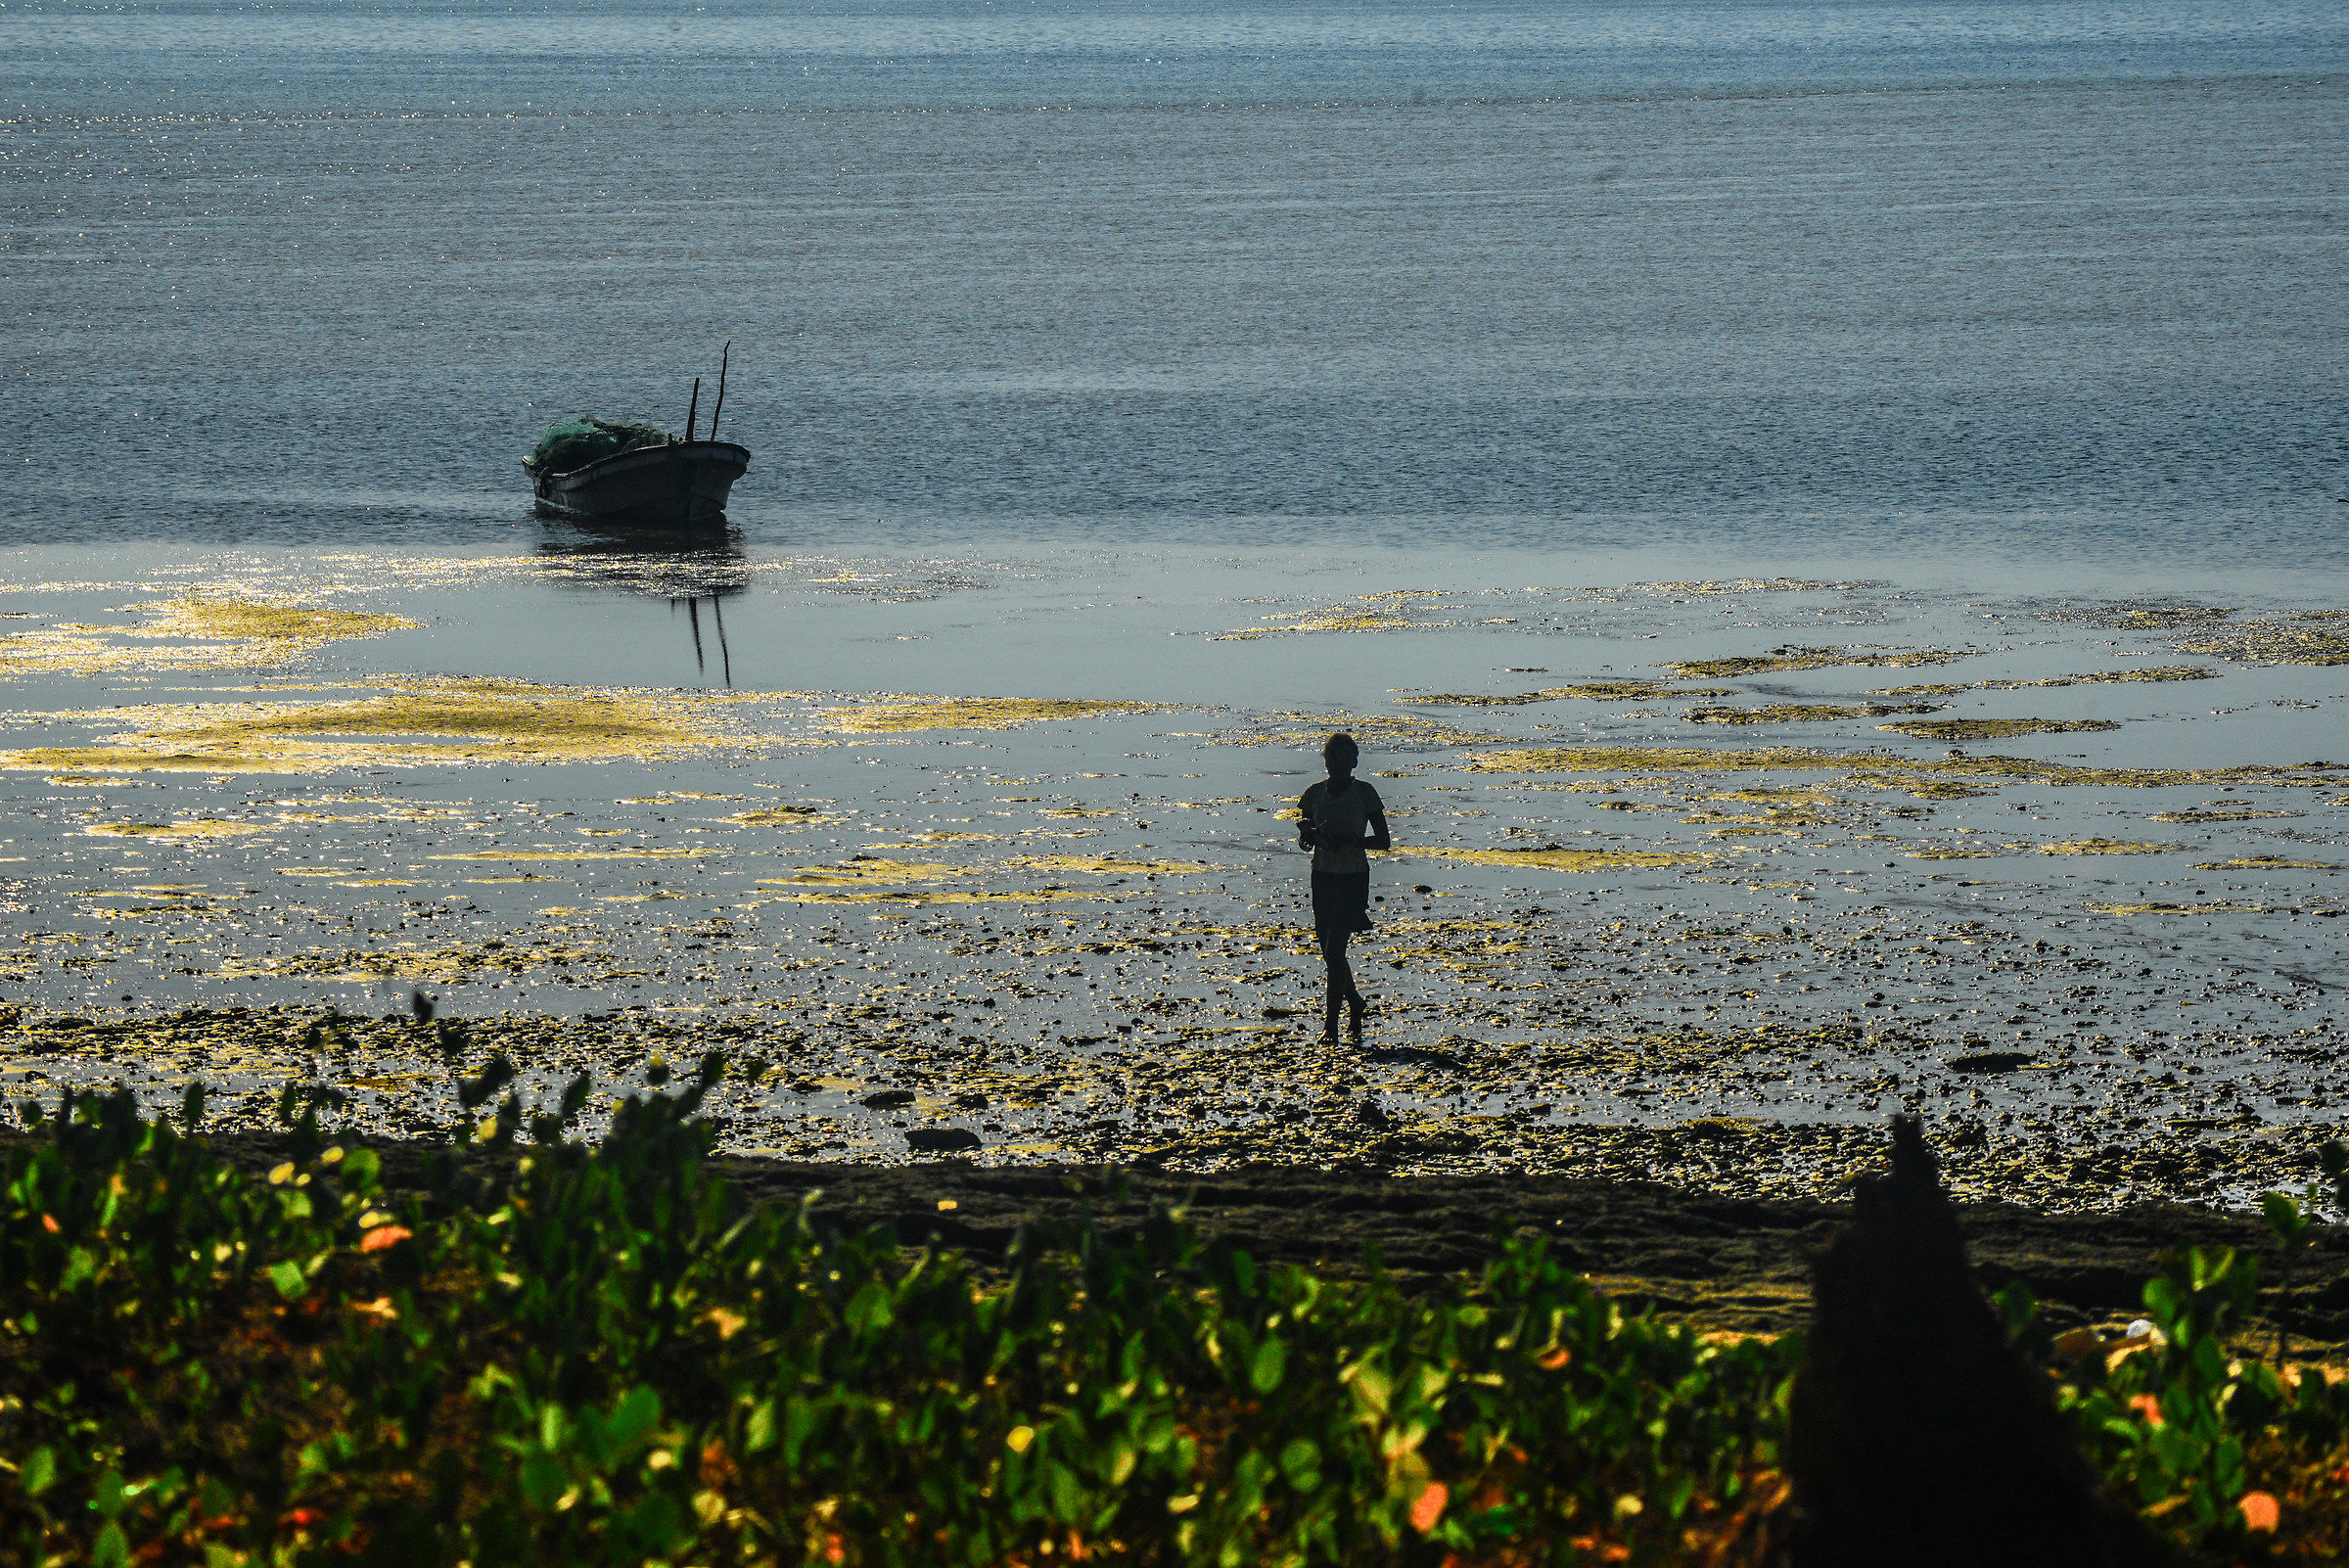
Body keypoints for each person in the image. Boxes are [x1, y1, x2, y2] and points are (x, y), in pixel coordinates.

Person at [1297, 731, 1390, 1043]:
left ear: (1354, 761)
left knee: (1335, 950)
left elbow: (1383, 842)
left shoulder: (1366, 793)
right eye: (1331, 758)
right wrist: (1309, 836)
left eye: (1343, 758)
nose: (1337, 763)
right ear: (1326, 762)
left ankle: (1331, 1026)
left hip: (1352, 877)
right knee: (1329, 953)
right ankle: (1355, 1002)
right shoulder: (1313, 795)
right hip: (1322, 877)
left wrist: (1350, 841)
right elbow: (1304, 842)